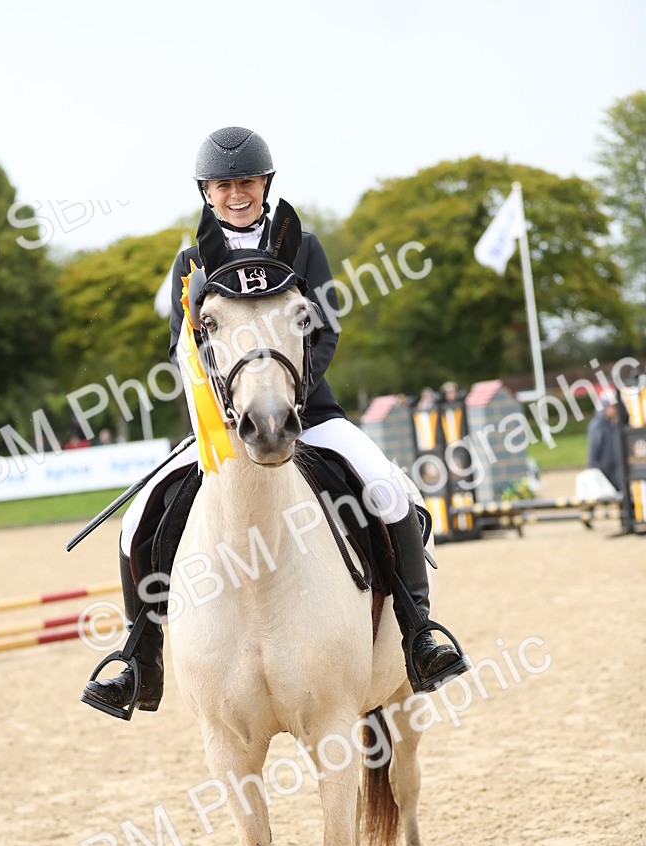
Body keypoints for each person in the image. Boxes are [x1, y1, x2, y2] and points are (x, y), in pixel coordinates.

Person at [84, 127, 469, 718]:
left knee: (388, 489)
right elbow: (181, 349)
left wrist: (289, 398)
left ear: (265, 183)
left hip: (307, 413)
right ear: (206, 192)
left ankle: (419, 634)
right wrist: (223, 412)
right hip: (224, 423)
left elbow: (326, 329)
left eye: (246, 182)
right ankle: (141, 659)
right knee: (137, 520)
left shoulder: (303, 246)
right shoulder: (190, 263)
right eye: (223, 185)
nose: (236, 194)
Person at [587, 396, 624, 492]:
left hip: (615, 467)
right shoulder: (598, 425)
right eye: (611, 407)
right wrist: (592, 465)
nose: (614, 410)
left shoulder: (612, 423)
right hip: (606, 468)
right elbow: (594, 446)